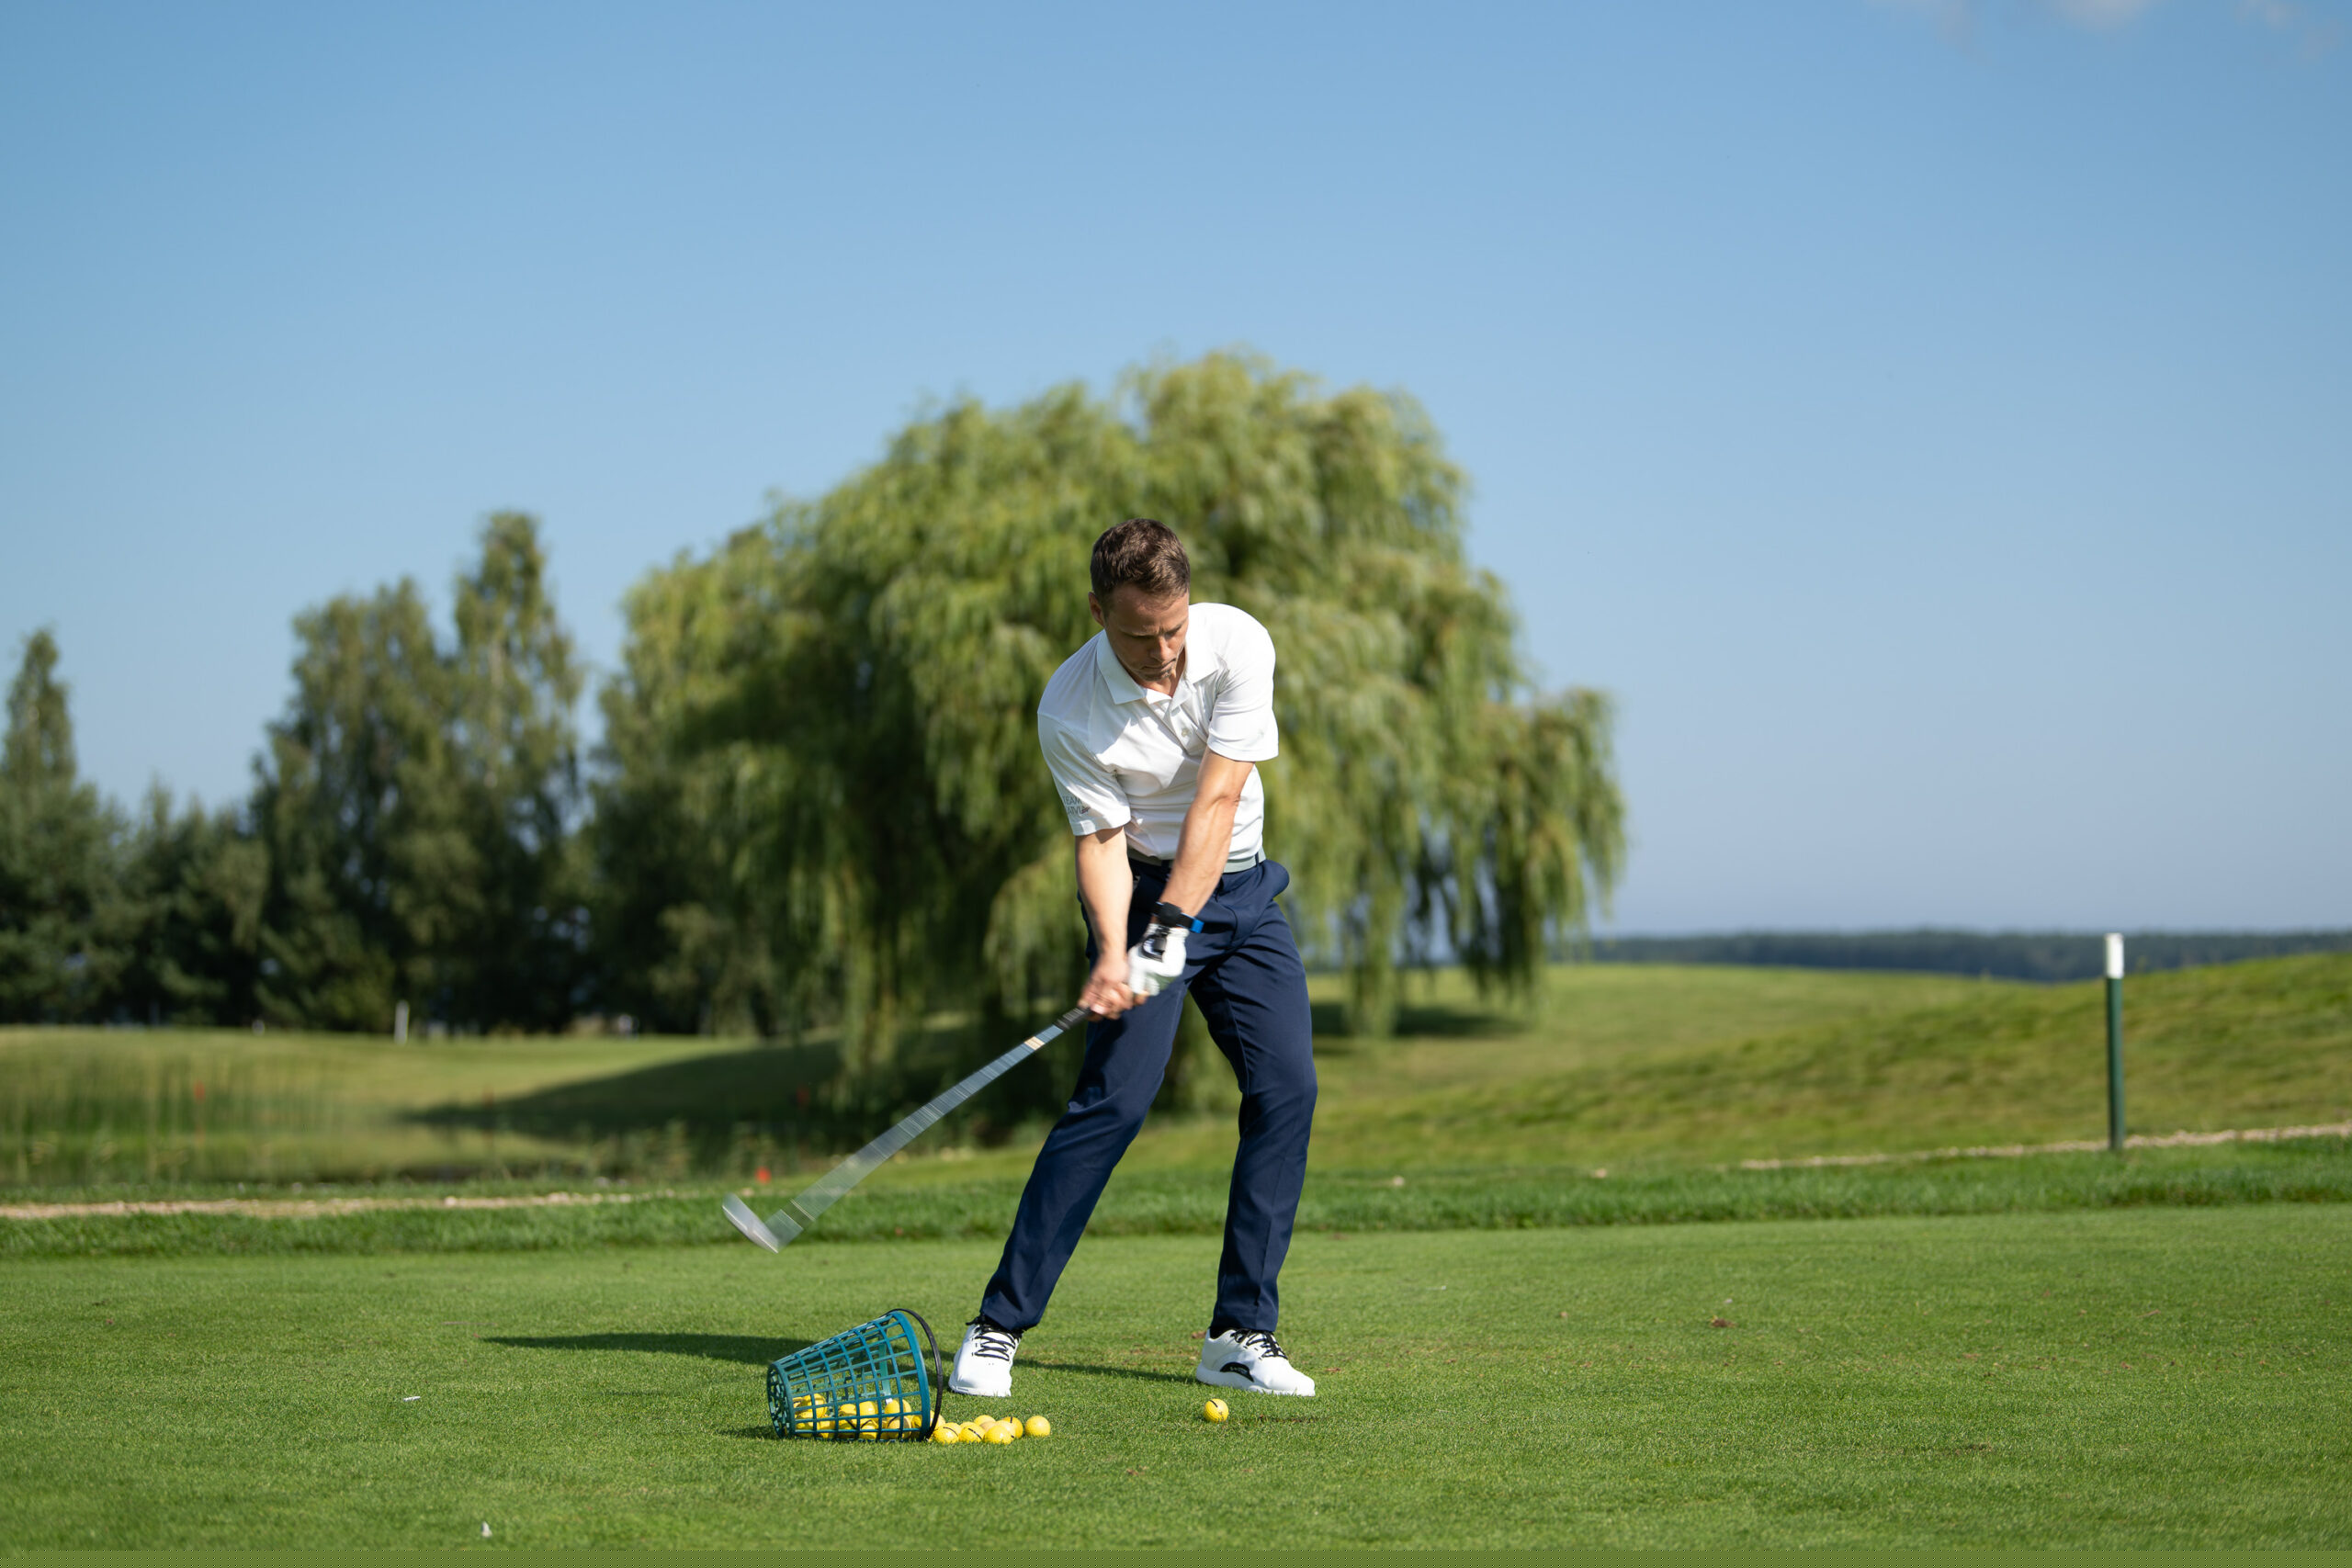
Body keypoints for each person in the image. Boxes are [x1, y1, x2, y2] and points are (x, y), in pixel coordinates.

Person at [948, 518, 1319, 1399]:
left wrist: (1176, 925)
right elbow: (1102, 841)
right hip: (1148, 891)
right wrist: (1117, 950)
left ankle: (1238, 1333)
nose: (1162, 653)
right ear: (1097, 612)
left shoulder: (1238, 643)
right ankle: (997, 1326)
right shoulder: (1069, 706)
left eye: (1173, 628)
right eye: (1138, 634)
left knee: (1288, 1089)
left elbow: (1218, 800)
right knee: (1113, 1103)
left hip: (1240, 895)